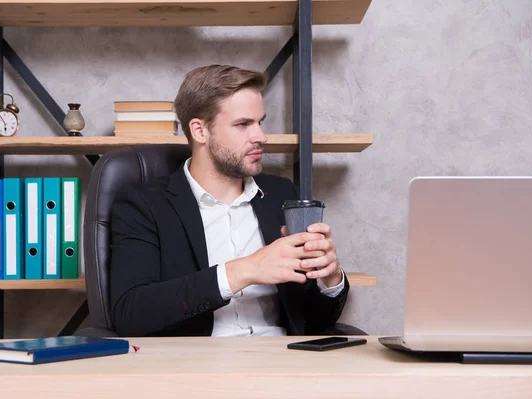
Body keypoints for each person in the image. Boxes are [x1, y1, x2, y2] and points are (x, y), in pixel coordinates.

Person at [109, 64, 351, 337]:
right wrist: (246, 270)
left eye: (260, 122)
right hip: (198, 367)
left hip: (281, 362)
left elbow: (315, 322)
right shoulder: (143, 204)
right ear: (200, 131)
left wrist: (330, 279)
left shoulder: (281, 194)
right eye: (243, 124)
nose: (261, 136)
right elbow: (130, 313)